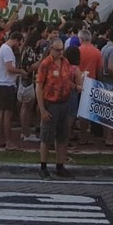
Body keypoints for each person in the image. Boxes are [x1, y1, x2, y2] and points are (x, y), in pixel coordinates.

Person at [36, 39, 76, 179]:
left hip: (63, 102)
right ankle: (43, 166)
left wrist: (74, 86)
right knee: (46, 137)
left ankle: (60, 165)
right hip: (50, 104)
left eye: (62, 49)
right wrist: (42, 109)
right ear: (51, 49)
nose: (60, 52)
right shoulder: (46, 64)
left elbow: (66, 80)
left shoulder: (65, 62)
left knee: (62, 137)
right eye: (57, 50)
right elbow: (39, 87)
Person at [0, 31, 26, 149]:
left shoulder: (3, 48)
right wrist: (21, 72)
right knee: (7, 114)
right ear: (16, 40)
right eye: (18, 44)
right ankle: (8, 141)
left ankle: (0, 138)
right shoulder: (7, 50)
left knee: (3, 112)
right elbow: (9, 68)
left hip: (2, 83)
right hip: (7, 84)